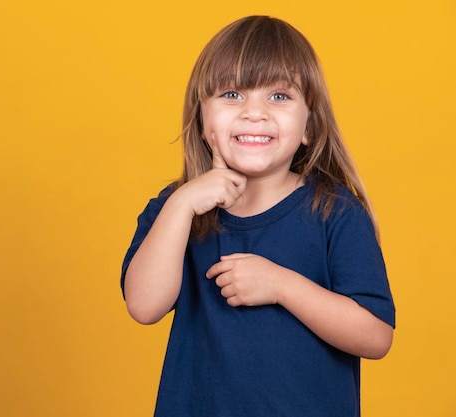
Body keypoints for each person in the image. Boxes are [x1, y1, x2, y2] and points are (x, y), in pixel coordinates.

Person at [121, 15, 395, 417]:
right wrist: (181, 205)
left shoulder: (336, 212)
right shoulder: (175, 209)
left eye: (279, 96)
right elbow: (143, 307)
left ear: (309, 127)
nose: (254, 112)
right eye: (232, 94)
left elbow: (376, 337)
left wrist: (281, 285)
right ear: (201, 120)